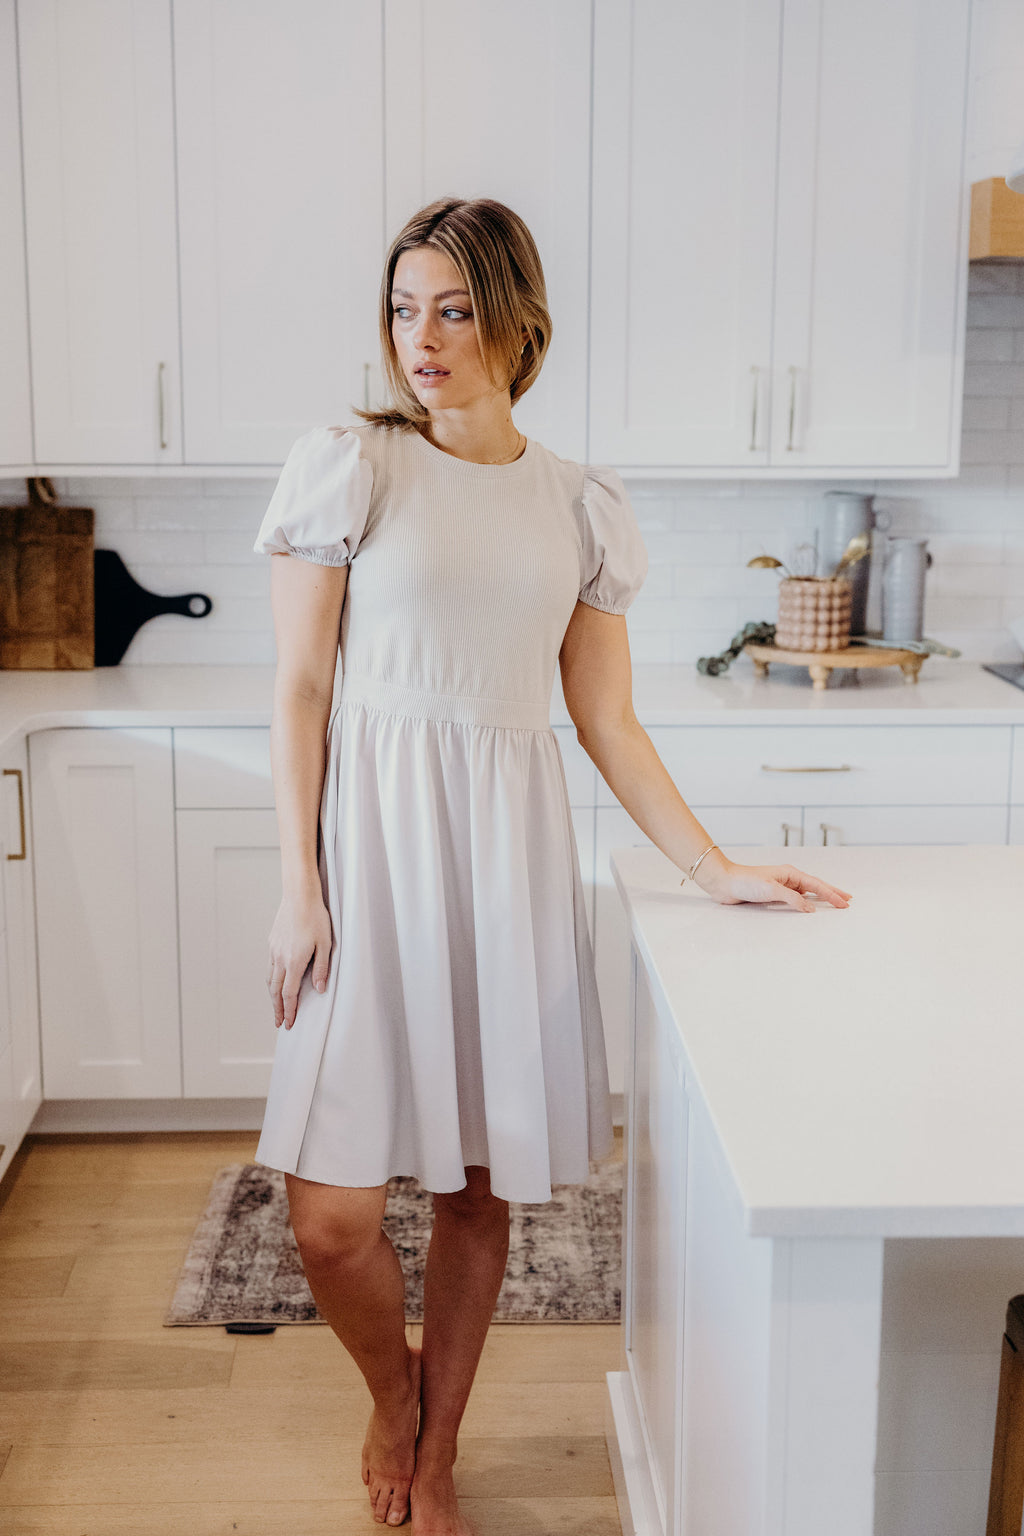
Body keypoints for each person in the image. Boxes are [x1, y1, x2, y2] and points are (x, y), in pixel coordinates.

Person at [253, 197, 852, 1536]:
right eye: (404, 309)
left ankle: (441, 1440)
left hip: (504, 866)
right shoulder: (351, 463)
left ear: (518, 321)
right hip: (366, 860)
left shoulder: (577, 504)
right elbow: (299, 686)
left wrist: (711, 869)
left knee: (475, 1187)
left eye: (453, 309)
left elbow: (605, 718)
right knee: (332, 1216)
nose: (423, 339)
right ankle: (387, 1396)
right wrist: (300, 888)